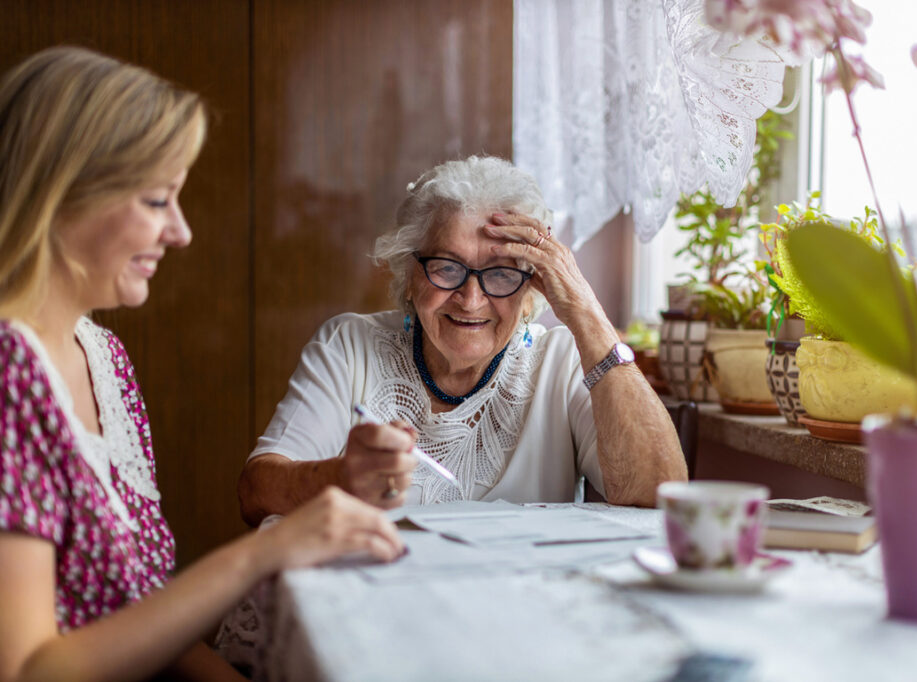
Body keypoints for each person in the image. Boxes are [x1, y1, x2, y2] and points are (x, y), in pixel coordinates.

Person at [0, 46, 404, 682]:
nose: (182, 232)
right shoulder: (8, 372)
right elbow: (29, 669)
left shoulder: (103, 357)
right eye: (158, 201)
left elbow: (140, 617)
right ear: (64, 194)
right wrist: (263, 553)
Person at [238, 155, 687, 523]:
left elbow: (662, 496)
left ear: (534, 286)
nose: (471, 300)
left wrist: (586, 313)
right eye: (448, 268)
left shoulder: (563, 362)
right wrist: (339, 477)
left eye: (501, 273)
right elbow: (255, 493)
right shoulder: (350, 345)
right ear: (410, 275)